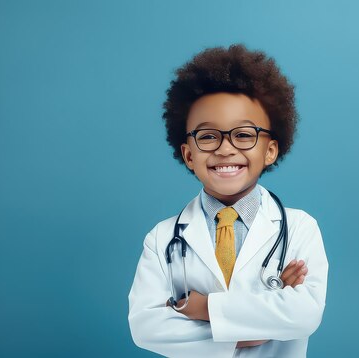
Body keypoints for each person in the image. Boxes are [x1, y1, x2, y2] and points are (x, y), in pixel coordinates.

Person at [128, 44, 328, 357]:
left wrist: (202, 307)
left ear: (271, 150)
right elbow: (146, 326)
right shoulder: (163, 239)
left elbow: (304, 314)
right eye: (208, 136)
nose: (225, 149)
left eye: (244, 135)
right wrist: (245, 331)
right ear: (189, 154)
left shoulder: (300, 228)